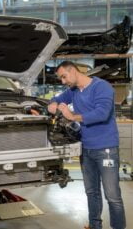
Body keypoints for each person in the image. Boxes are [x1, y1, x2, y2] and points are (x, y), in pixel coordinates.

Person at [48, 61, 126, 229]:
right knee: (91, 192)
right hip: (86, 149)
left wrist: (72, 116)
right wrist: (52, 104)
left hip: (106, 149)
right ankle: (94, 225)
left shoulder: (101, 87)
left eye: (64, 76)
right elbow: (56, 99)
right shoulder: (74, 91)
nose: (62, 81)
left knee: (112, 195)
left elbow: (102, 114)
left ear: (74, 71)